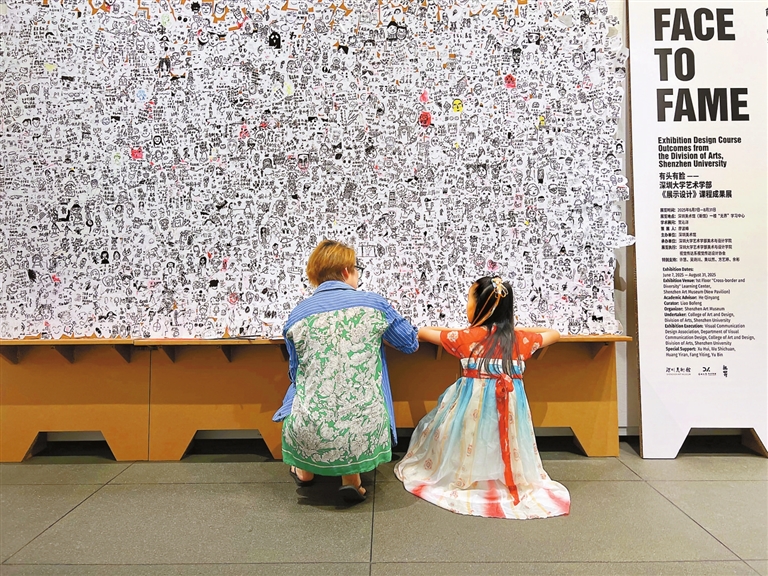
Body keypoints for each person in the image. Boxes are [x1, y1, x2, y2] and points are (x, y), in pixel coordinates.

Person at [395, 276, 570, 519]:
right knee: (504, 437)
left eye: (470, 299)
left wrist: (465, 330)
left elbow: (423, 331)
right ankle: (502, 474)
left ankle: (469, 474)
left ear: (482, 306)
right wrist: (510, 329)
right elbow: (554, 334)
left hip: (473, 405)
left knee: (469, 435)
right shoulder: (519, 340)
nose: (467, 304)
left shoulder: (465, 338)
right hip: (510, 407)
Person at [273, 239, 419, 502]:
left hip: (309, 428)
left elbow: (296, 373)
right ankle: (352, 479)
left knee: (300, 389)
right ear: (345, 271)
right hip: (365, 429)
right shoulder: (373, 304)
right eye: (356, 269)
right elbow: (410, 343)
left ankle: (305, 471)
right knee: (355, 403)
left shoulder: (297, 314)